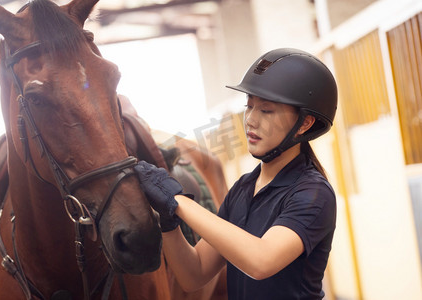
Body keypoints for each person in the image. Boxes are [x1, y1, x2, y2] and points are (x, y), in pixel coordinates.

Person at [135, 48, 338, 300]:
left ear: (305, 123)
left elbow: (261, 261)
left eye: (266, 111)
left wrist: (177, 201)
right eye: (249, 106)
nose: (251, 120)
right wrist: (167, 222)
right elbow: (194, 274)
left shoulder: (313, 193)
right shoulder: (243, 188)